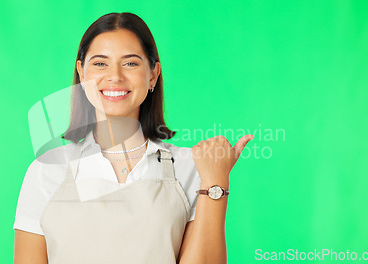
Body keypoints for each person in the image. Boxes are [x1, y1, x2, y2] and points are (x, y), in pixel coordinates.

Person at [13, 12, 253, 264]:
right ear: (81, 73)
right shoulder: (46, 171)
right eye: (100, 63)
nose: (115, 76)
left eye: (130, 63)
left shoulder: (189, 167)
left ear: (152, 74)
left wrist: (215, 181)